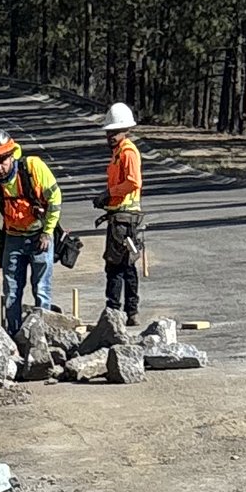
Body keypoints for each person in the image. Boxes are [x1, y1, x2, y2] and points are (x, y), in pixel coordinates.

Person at [0, 132, 63, 337]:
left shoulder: (33, 168)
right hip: (13, 238)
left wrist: (47, 232)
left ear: (12, 155)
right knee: (11, 292)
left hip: (39, 236)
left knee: (41, 289)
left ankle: (42, 337)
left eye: (2, 161)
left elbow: (55, 198)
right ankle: (14, 337)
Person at [101, 101, 146, 327]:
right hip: (122, 217)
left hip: (124, 219)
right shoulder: (119, 153)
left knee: (117, 265)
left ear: (124, 131)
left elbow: (133, 182)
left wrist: (110, 193)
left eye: (114, 132)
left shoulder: (128, 153)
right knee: (125, 265)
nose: (109, 136)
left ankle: (115, 312)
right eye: (109, 132)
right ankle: (129, 311)